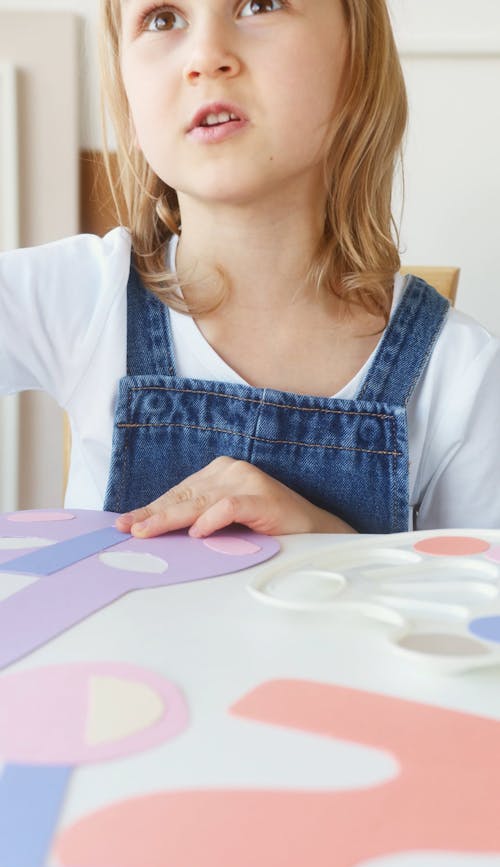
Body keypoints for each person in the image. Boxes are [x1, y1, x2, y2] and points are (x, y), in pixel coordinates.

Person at [1, 0, 499, 538]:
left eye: (259, 4)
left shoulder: (462, 374)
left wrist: (326, 542)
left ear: (356, 54)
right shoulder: (80, 295)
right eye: (163, 18)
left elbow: (468, 614)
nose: (206, 56)